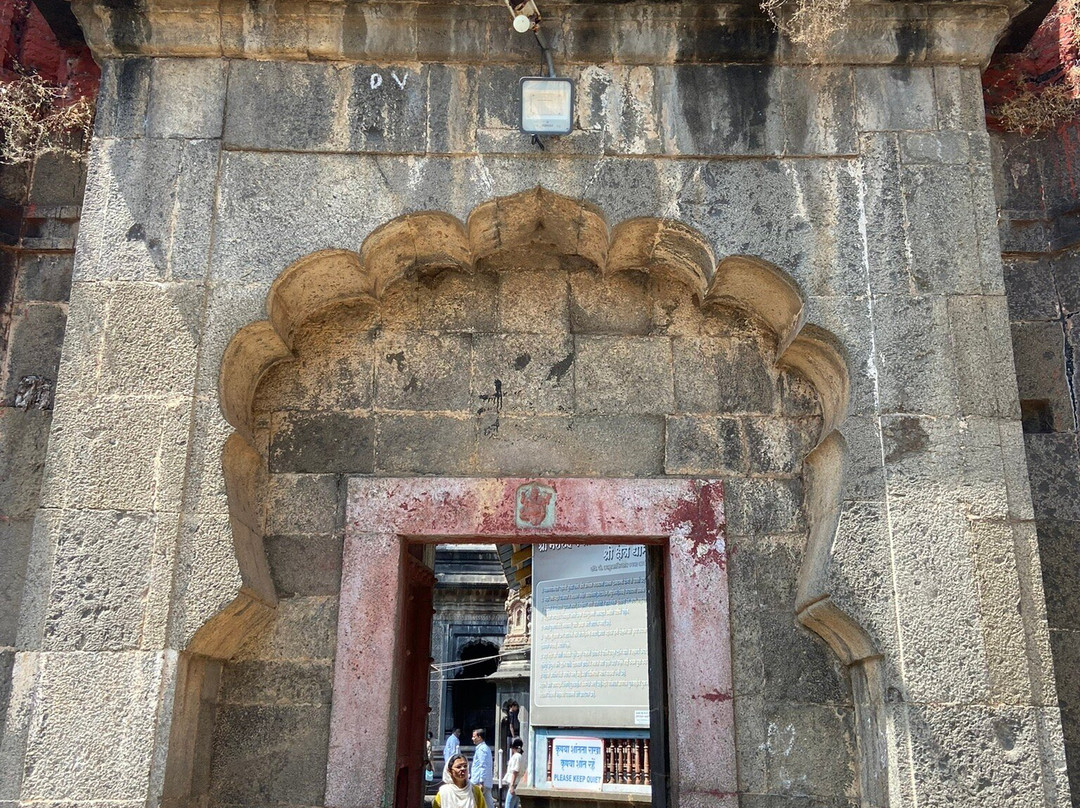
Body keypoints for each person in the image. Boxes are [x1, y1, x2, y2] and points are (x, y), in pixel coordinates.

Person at [470, 727, 493, 808]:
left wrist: (481, 782)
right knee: (488, 802)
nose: (472, 738)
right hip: (484, 781)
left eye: (474, 736)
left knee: (475, 802)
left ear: (479, 737)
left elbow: (482, 765)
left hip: (479, 781)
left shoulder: (482, 749)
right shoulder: (484, 748)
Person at [502, 738, 524, 808]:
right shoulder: (520, 756)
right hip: (517, 784)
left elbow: (515, 771)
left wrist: (512, 785)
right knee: (514, 805)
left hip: (514, 784)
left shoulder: (516, 756)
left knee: (508, 805)